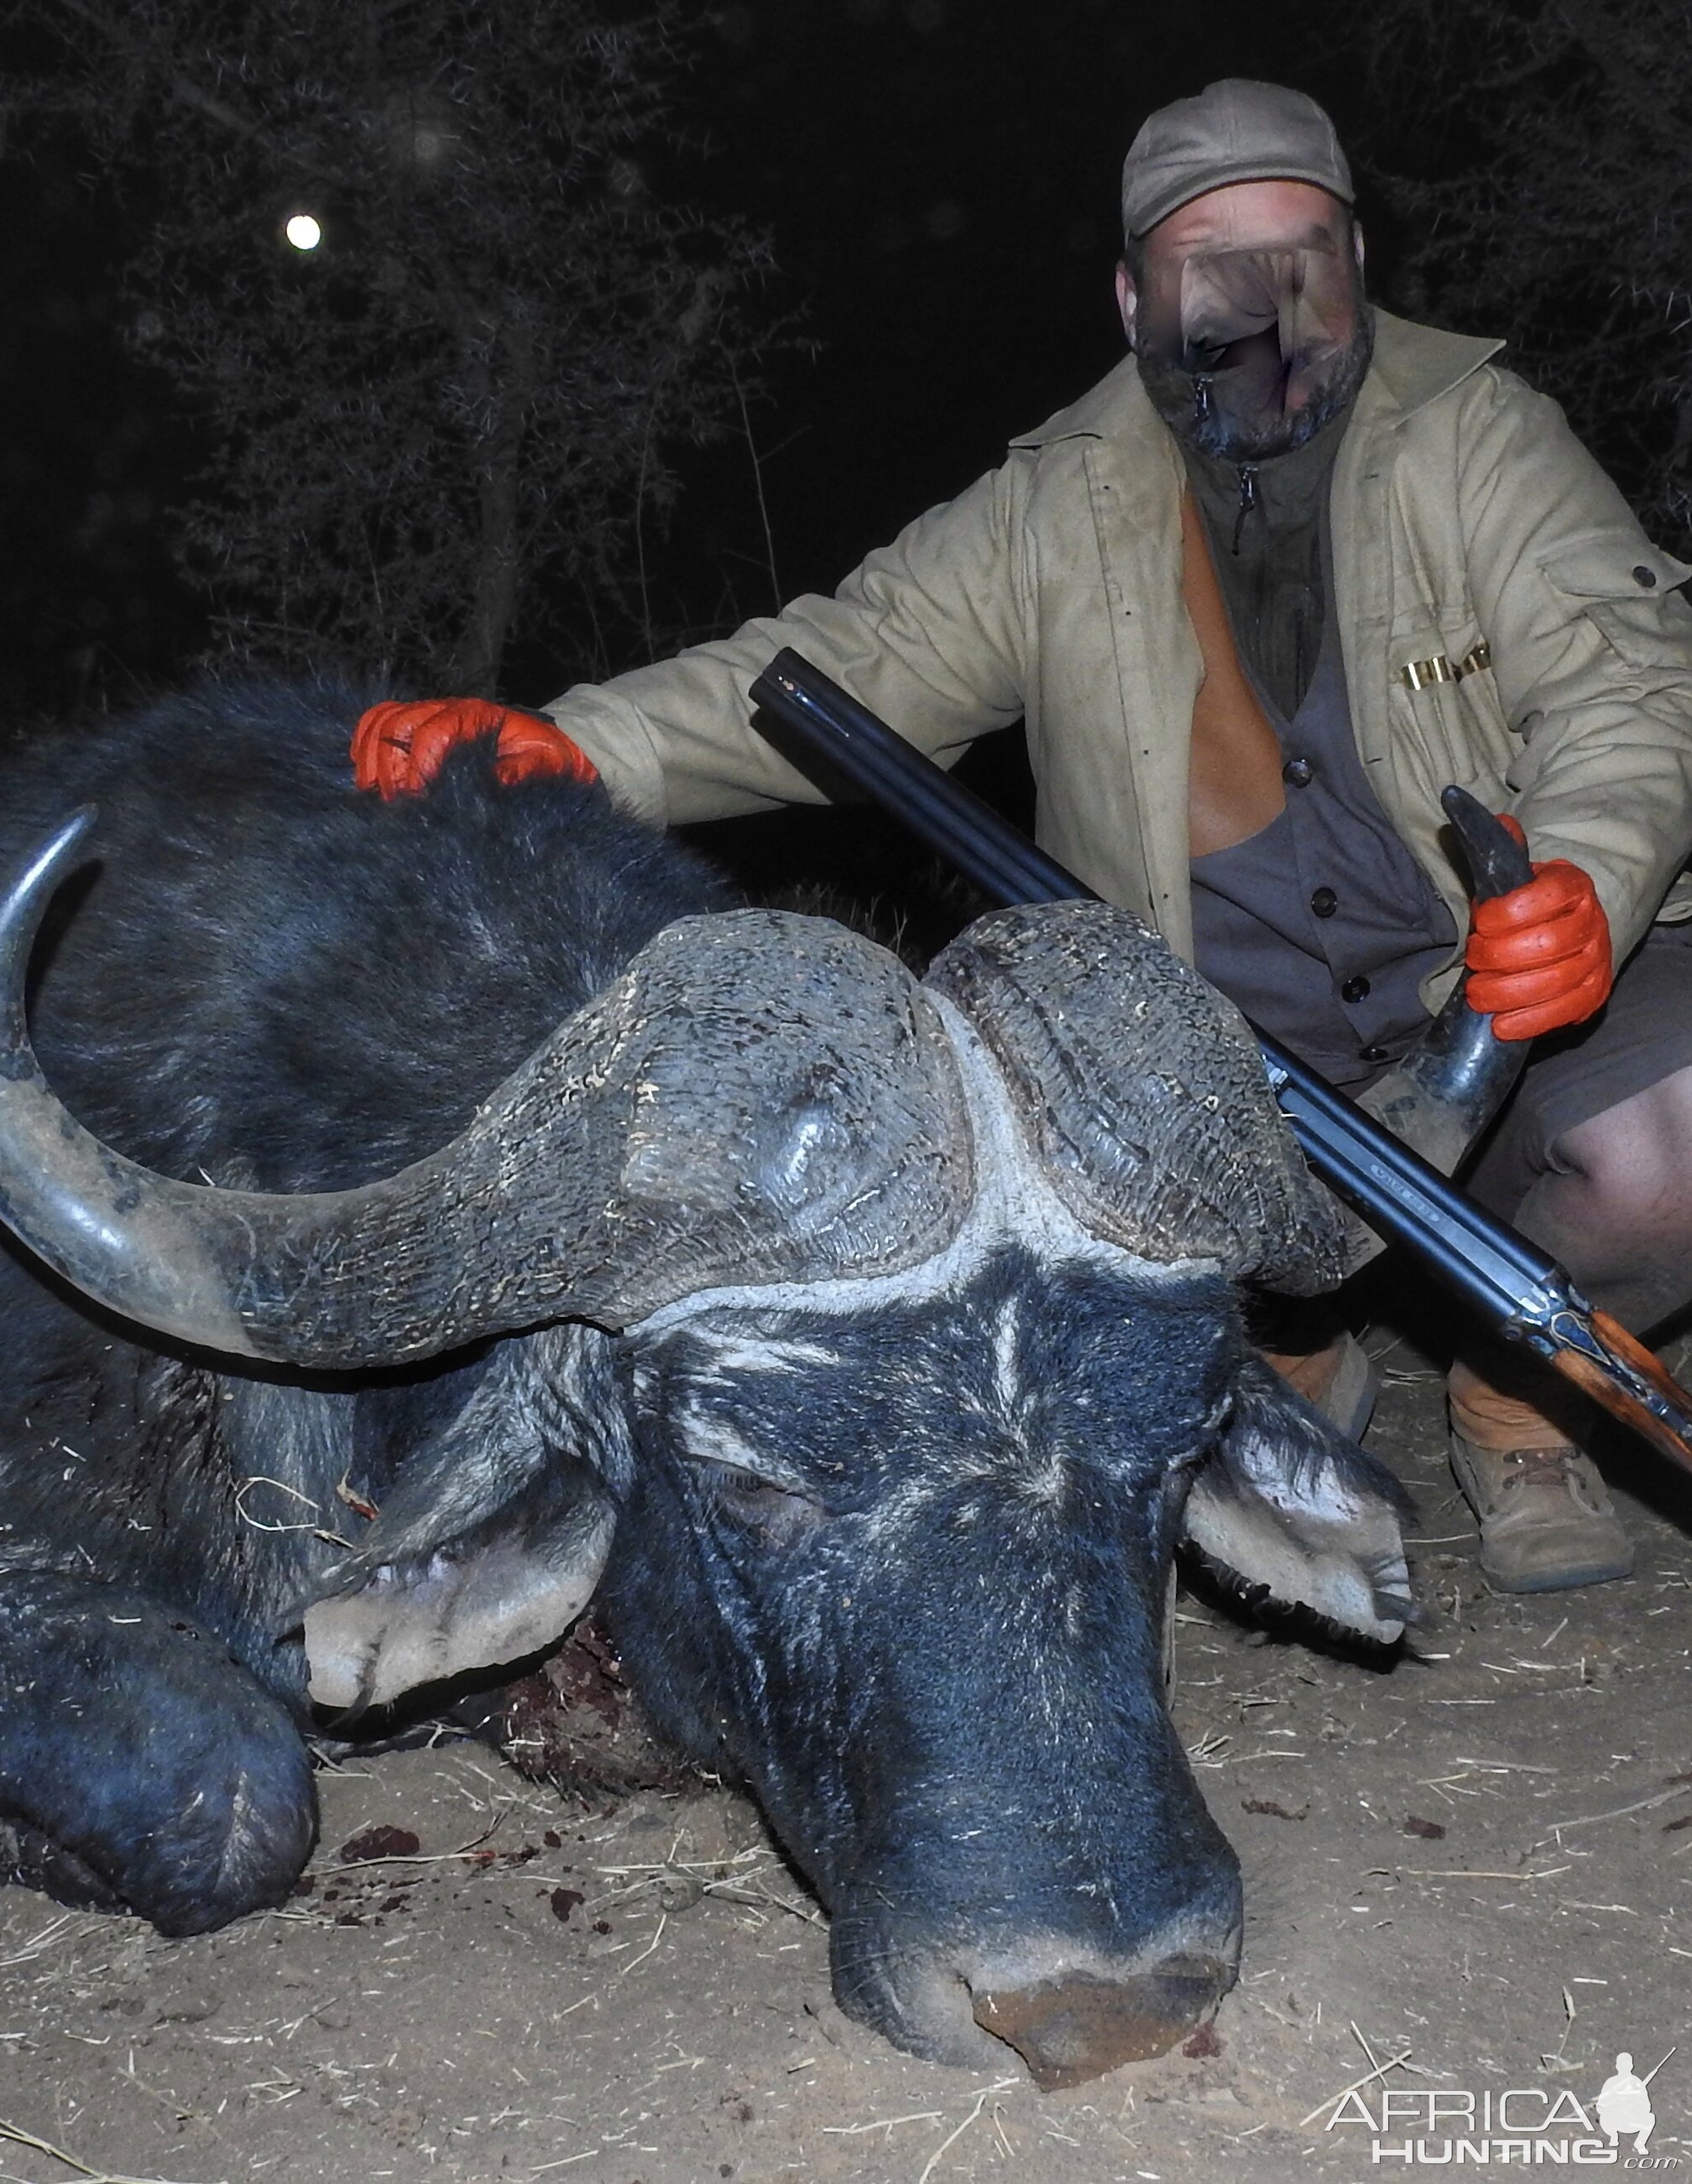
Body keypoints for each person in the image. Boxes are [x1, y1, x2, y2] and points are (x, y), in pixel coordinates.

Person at [354, 81, 1692, 1596]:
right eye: (1210, 269)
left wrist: (1583, 872)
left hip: (1478, 990)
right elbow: (842, 664)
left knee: (1673, 1146)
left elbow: (1631, 685)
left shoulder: (1484, 437)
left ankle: (1518, 1386)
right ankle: (1283, 1352)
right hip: (1219, 1053)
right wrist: (576, 744)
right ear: (1133, 299)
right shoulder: (1051, 497)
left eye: (1301, 257)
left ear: (1359, 264)